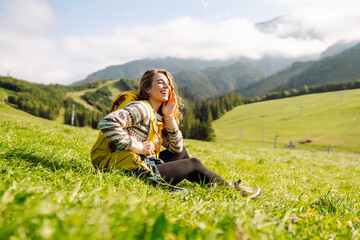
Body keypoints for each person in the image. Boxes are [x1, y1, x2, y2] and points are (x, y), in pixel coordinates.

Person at [98, 69, 261, 198]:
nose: (166, 87)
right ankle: (232, 191)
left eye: (168, 84)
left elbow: (176, 148)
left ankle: (217, 185)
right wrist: (138, 146)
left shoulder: (157, 115)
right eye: (160, 83)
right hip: (131, 168)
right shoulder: (142, 108)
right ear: (147, 88)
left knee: (182, 153)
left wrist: (169, 116)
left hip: (142, 162)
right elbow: (108, 123)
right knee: (194, 164)